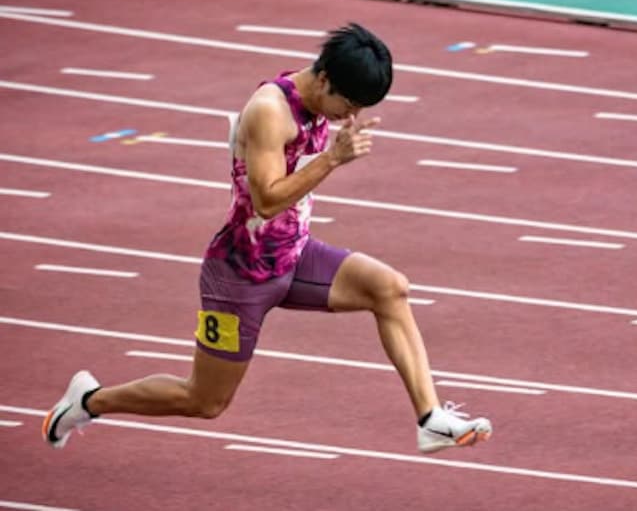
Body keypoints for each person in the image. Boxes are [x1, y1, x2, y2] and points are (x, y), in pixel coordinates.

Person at [43, 23, 491, 454]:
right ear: (325, 79)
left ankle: (430, 420)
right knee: (205, 401)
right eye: (349, 104)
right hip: (239, 275)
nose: (351, 117)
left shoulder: (316, 100)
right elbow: (266, 202)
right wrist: (332, 159)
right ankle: (88, 402)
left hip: (294, 256)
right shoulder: (269, 112)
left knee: (390, 288)